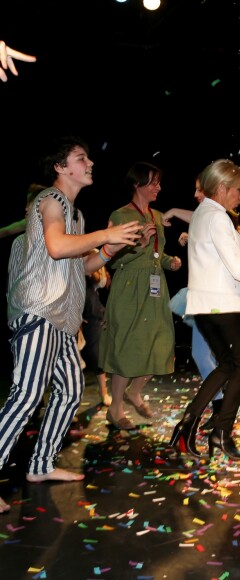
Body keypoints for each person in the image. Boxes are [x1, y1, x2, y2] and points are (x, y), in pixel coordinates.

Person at [0, 135, 141, 515]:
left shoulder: (75, 215)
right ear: (61, 167)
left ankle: (40, 464)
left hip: (60, 321)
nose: (90, 163)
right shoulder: (51, 199)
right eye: (82, 158)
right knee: (28, 395)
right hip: (38, 312)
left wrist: (110, 250)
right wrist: (105, 235)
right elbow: (57, 247)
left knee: (70, 390)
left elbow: (79, 266)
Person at [167, 159, 240, 461]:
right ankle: (219, 431)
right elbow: (238, 269)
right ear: (222, 188)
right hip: (223, 305)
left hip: (205, 306)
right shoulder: (218, 217)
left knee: (228, 365)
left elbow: (223, 252)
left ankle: (192, 426)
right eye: (238, 190)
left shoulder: (207, 214)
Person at [99, 162, 182, 430]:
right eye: (153, 182)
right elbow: (112, 260)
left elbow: (158, 254)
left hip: (155, 289)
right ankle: (116, 408)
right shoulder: (121, 215)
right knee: (127, 346)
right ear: (137, 184)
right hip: (129, 288)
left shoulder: (158, 216)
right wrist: (140, 246)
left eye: (159, 182)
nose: (158, 187)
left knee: (161, 344)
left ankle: (134, 392)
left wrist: (169, 262)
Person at [81, 250, 112, 407]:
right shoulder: (60, 247)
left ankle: (104, 392)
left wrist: (88, 266)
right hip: (68, 308)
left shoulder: (91, 251)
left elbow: (102, 281)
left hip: (91, 309)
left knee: (95, 353)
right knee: (69, 355)